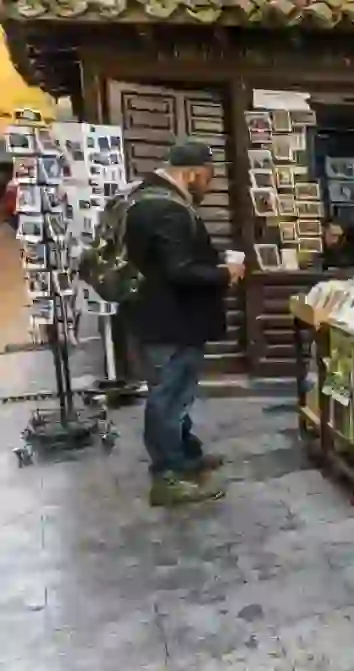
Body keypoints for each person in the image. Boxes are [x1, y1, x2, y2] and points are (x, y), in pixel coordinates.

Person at [123, 140, 245, 506]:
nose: (208, 186)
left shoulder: (143, 196)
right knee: (169, 397)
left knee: (176, 394)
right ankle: (168, 477)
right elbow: (181, 271)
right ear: (192, 172)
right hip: (170, 324)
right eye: (207, 177)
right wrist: (226, 272)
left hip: (157, 319)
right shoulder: (168, 209)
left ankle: (185, 456)